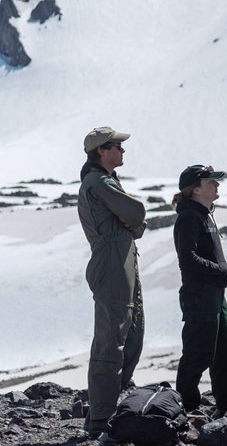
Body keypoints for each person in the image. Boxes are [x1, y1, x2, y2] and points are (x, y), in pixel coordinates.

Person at [78, 126, 146, 438]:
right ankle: (100, 419)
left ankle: (106, 409)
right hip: (111, 266)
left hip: (122, 264)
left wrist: (132, 221)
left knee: (131, 335)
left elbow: (135, 222)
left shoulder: (106, 181)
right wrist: (131, 219)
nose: (122, 150)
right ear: (101, 151)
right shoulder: (98, 182)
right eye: (117, 146)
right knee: (111, 341)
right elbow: (136, 211)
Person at [172, 164, 227, 414]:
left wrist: (221, 273)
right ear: (196, 189)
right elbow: (187, 259)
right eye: (211, 181)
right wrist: (220, 271)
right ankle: (185, 409)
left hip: (215, 294)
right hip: (199, 295)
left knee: (224, 354)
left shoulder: (204, 214)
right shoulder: (189, 217)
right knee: (198, 354)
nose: (217, 185)